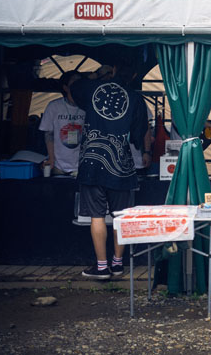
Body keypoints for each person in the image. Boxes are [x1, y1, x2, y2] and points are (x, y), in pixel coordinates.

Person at [71, 62, 148, 279]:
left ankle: (101, 267)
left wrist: (96, 75)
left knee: (97, 216)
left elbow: (74, 87)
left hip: (91, 162)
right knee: (120, 217)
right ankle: (117, 264)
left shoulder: (93, 88)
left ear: (112, 70)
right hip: (120, 165)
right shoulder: (135, 98)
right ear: (133, 75)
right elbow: (138, 134)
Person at [39, 71, 85, 176]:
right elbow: (48, 134)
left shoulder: (88, 107)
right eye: (74, 82)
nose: (78, 85)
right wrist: (51, 158)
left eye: (80, 82)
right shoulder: (54, 106)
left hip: (81, 166)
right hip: (58, 165)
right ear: (65, 87)